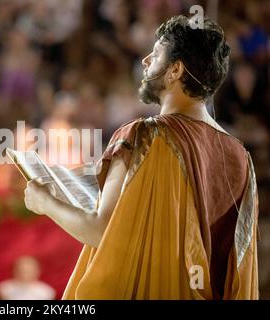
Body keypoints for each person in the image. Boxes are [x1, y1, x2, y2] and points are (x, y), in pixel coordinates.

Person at [24, 15, 259, 299]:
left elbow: (102, 231)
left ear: (175, 70)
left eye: (156, 53)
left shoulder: (145, 135)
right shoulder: (241, 157)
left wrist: (45, 202)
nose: (146, 60)